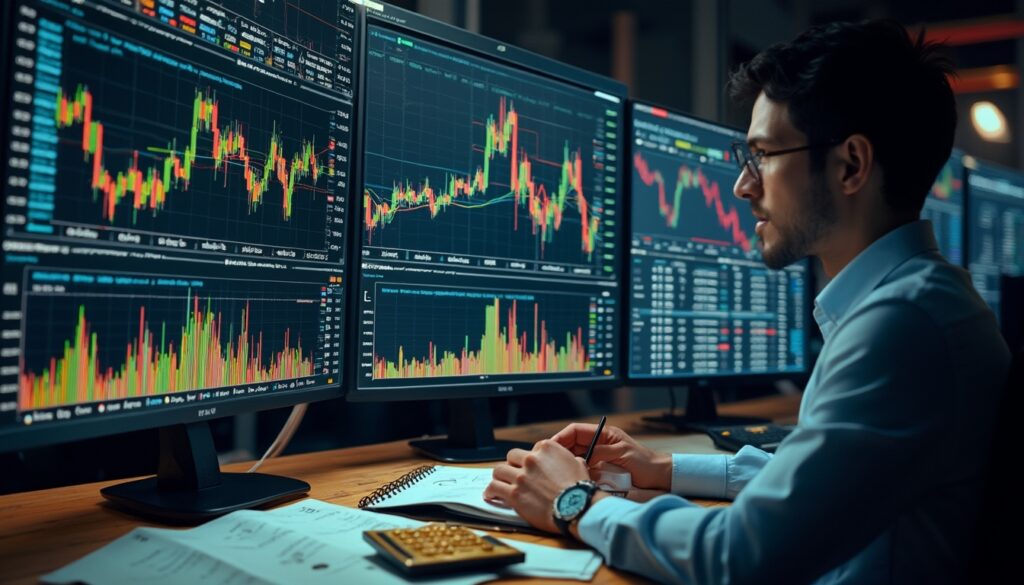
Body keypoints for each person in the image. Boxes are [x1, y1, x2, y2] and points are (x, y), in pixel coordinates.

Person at [484, 19, 1011, 584]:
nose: (742, 185)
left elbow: (739, 557)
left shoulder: (902, 327)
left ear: (851, 165)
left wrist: (574, 504)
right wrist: (662, 469)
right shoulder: (926, 301)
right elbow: (817, 484)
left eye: (762, 154)